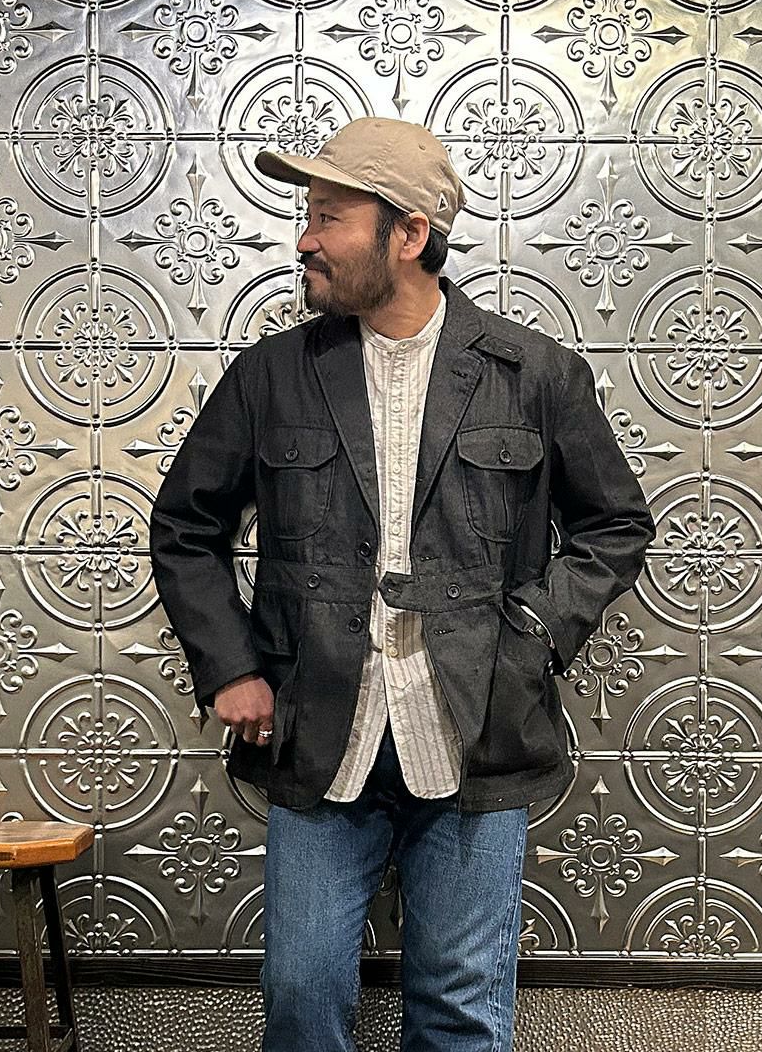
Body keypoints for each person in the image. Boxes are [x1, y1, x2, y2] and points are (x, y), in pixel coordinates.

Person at [150, 116, 656, 1051]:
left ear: (410, 233)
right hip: (318, 730)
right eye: (308, 217)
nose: (304, 239)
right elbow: (185, 527)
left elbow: (615, 524)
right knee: (301, 996)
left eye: (328, 217)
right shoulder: (272, 377)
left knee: (459, 1008)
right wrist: (230, 667)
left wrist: (533, 637)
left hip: (476, 730)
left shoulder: (534, 374)